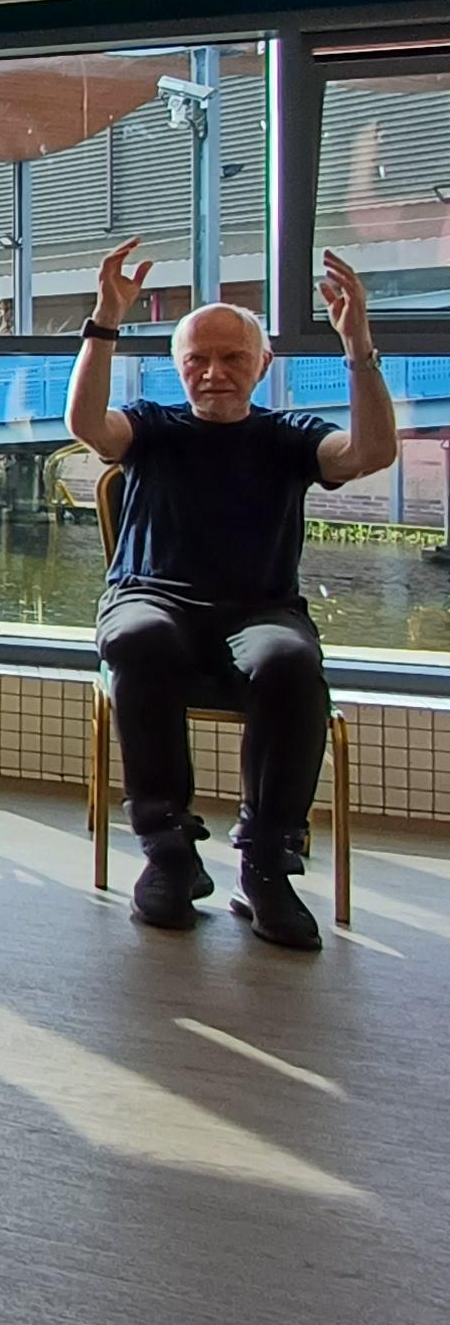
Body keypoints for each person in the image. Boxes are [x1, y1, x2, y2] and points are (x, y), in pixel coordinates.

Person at [68, 240, 397, 949]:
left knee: (288, 663)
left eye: (232, 359)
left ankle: (268, 865)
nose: (214, 373)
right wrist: (104, 322)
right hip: (150, 597)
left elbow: (370, 453)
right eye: (198, 360)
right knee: (137, 640)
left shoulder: (286, 437)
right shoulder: (154, 428)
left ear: (262, 365)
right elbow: (88, 426)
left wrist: (358, 345)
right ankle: (168, 852)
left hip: (259, 610)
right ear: (179, 367)